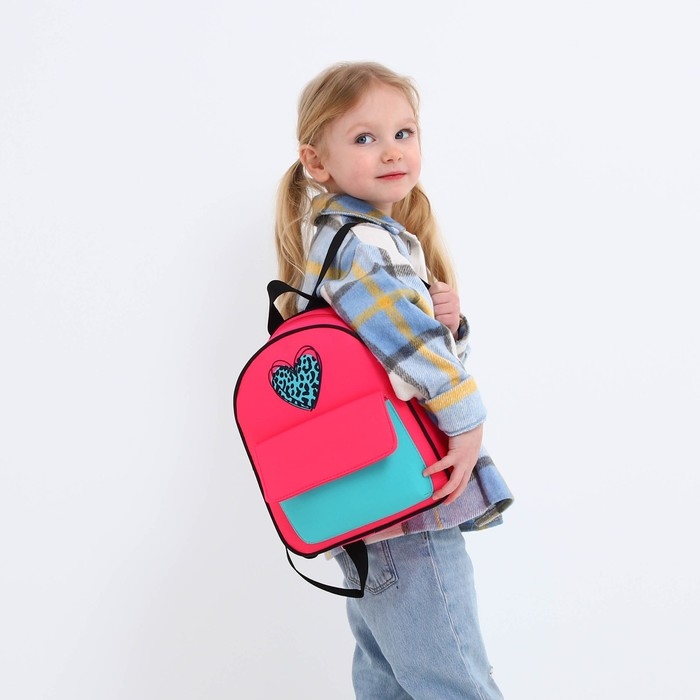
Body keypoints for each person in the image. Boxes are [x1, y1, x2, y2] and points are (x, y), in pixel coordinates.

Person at [274, 61, 513, 700]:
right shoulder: (364, 245)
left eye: (404, 133)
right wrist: (466, 419)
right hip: (408, 502)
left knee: (390, 679)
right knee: (453, 679)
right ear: (316, 161)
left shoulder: (335, 242)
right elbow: (411, 347)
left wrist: (448, 326)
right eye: (365, 138)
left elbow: (391, 355)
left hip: (364, 499)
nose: (391, 151)